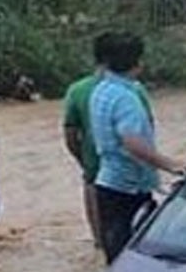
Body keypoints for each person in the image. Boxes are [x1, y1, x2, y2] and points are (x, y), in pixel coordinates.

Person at [90, 32, 185, 263]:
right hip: (129, 189)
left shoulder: (100, 91)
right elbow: (132, 143)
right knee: (134, 261)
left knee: (115, 260)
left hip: (107, 183)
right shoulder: (126, 98)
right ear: (138, 62)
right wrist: (172, 165)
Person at [63, 36, 154, 250]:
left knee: (104, 243)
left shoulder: (78, 91)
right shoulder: (133, 91)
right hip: (130, 177)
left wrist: (84, 162)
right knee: (136, 244)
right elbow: (146, 131)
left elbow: (70, 135)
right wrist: (165, 164)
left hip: (97, 173)